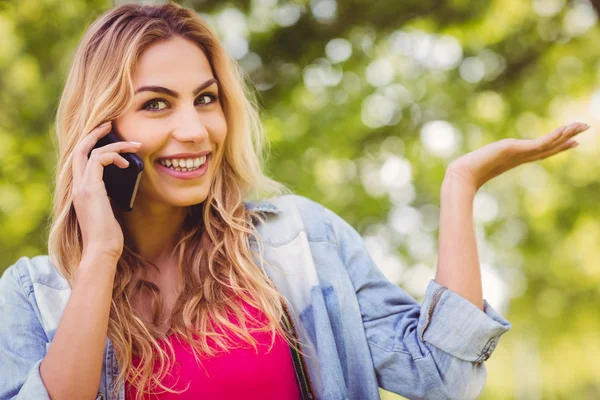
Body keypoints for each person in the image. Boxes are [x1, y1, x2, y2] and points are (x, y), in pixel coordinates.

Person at [0, 2, 588, 400]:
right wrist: (100, 253)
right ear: (101, 130)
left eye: (206, 99)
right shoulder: (35, 296)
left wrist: (460, 186)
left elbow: (442, 373)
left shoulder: (298, 242)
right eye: (157, 104)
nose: (196, 130)